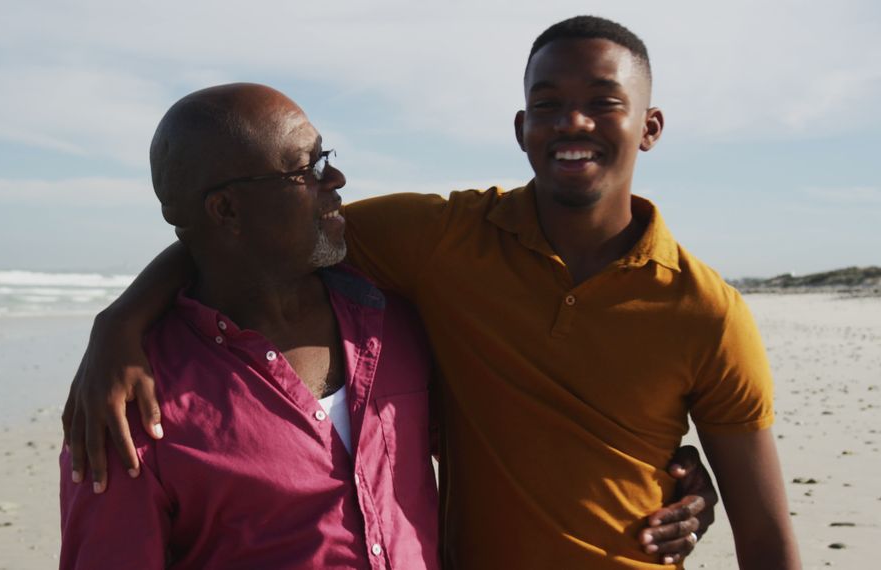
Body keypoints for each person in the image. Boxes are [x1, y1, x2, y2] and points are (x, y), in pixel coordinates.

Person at [66, 16, 786, 568]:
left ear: (650, 127)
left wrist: (694, 486)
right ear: (521, 128)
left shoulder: (708, 311)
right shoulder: (438, 244)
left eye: (604, 102)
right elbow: (245, 240)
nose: (573, 122)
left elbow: (766, 533)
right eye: (549, 103)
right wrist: (120, 325)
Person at [59, 84, 441, 568]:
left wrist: (117, 319)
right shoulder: (131, 406)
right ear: (226, 210)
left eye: (327, 158)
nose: (338, 178)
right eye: (309, 169)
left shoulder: (396, 320)